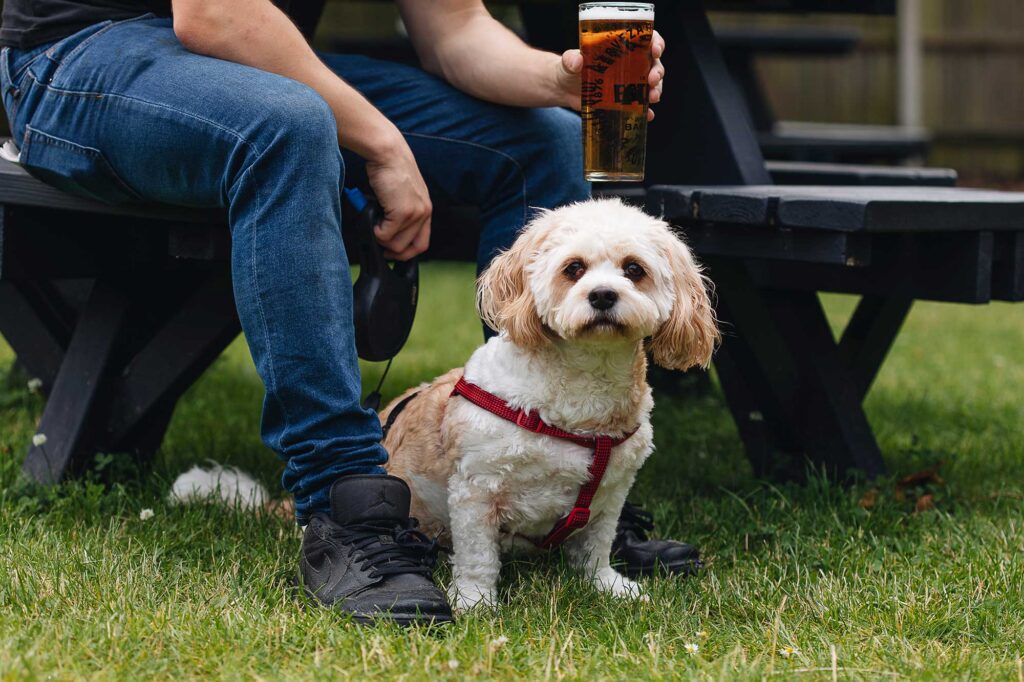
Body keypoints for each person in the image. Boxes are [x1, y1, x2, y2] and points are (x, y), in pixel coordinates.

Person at [0, 0, 695, 625]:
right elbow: (214, 15)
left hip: (256, 62)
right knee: (292, 126)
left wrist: (557, 78)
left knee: (539, 137)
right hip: (82, 58)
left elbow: (453, 31)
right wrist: (384, 145)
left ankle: (571, 481)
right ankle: (348, 506)